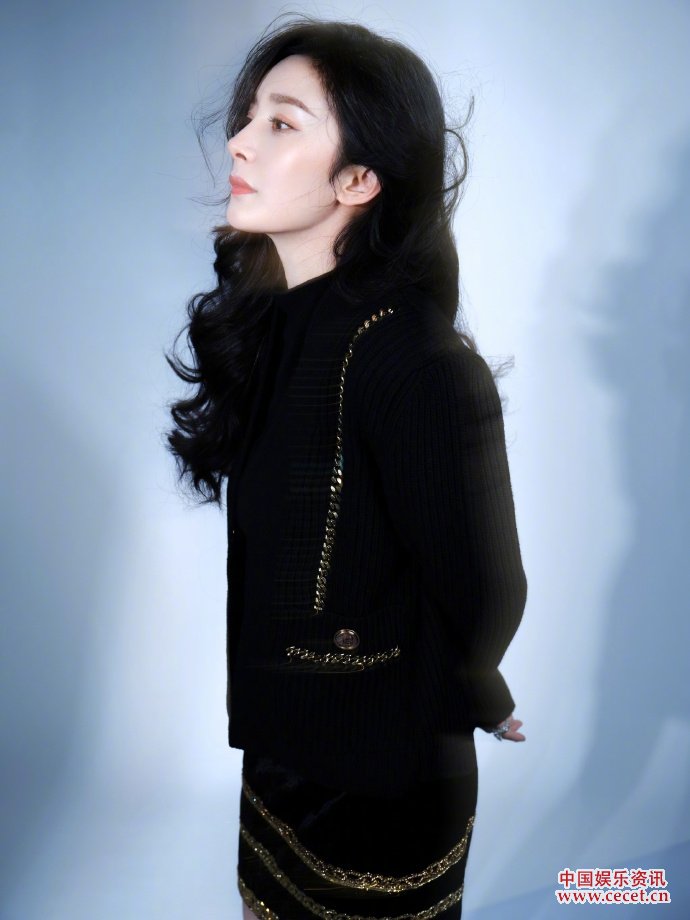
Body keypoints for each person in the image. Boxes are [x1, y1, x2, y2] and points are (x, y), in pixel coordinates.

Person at [166, 14, 527, 919]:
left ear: (360, 179)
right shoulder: (271, 331)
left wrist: (473, 687)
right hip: (280, 758)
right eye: (249, 117)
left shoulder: (415, 363)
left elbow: (487, 586)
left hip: (382, 785)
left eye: (282, 123)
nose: (240, 142)